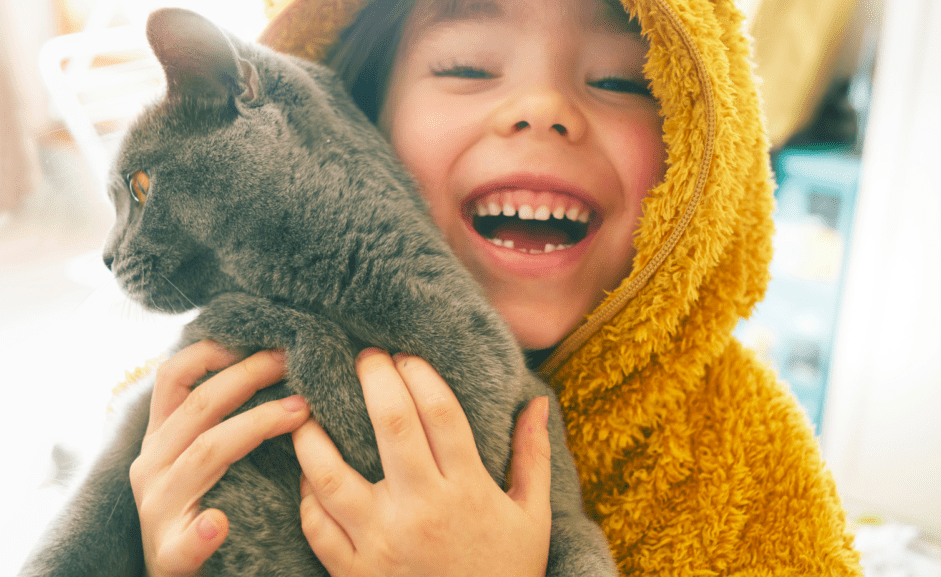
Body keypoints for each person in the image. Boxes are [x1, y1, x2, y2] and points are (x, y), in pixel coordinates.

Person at [128, 0, 864, 575]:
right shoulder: (214, 387)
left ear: (700, 149)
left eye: (618, 80)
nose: (543, 109)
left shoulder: (752, 465)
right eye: (468, 67)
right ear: (357, 114)